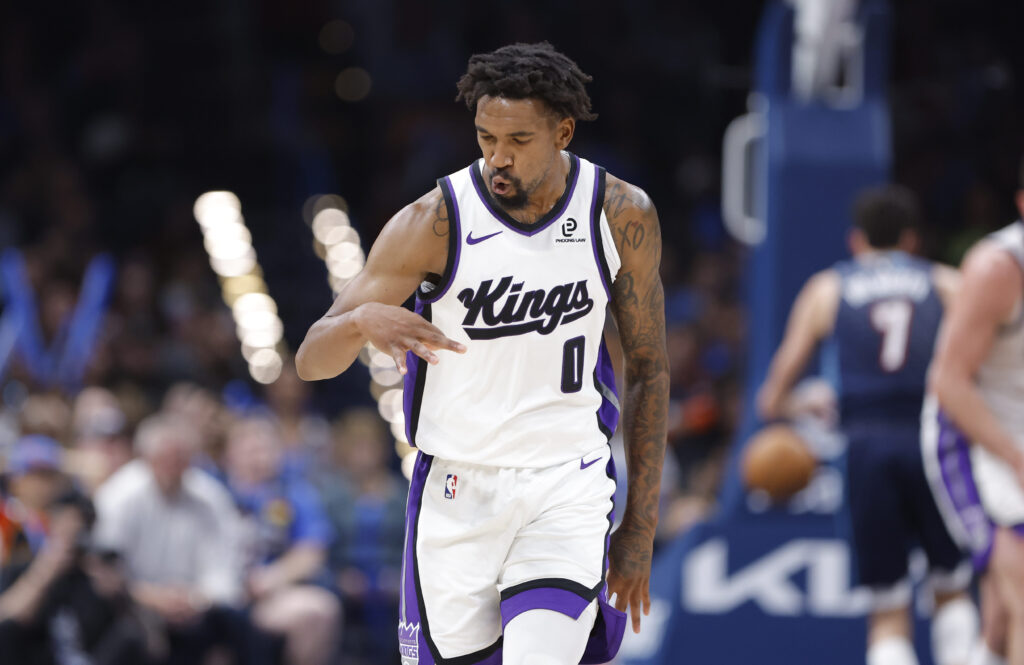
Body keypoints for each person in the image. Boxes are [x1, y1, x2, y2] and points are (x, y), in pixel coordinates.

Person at [296, 42, 668, 665]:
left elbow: (650, 372)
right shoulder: (432, 222)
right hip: (457, 490)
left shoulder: (620, 214)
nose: (498, 157)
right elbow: (311, 360)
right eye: (486, 137)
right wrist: (360, 319)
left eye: (518, 140)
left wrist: (639, 527)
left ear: (563, 132)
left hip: (565, 483)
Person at [756, 185, 975, 665]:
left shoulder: (827, 290)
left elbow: (770, 399)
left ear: (857, 241)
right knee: (952, 589)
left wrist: (807, 402)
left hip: (865, 447)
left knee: (887, 604)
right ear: (912, 240)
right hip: (934, 440)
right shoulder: (946, 283)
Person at [924, 162, 1024, 665]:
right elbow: (949, 382)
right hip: (970, 431)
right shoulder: (999, 267)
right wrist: (1014, 458)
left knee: (1003, 618)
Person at [92, 413, 263, 665]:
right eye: (165, 458)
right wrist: (149, 597)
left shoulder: (210, 497)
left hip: (195, 606)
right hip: (132, 603)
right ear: (146, 457)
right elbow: (101, 570)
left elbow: (225, 571)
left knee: (241, 626)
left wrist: (197, 599)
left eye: (181, 458)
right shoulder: (118, 497)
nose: (173, 466)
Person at [222, 415, 340, 665]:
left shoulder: (295, 492)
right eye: (250, 448)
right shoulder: (211, 491)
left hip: (268, 594)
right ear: (230, 452)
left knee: (320, 611)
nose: (259, 456)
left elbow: (312, 550)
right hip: (216, 592)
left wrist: (272, 578)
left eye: (266, 448)